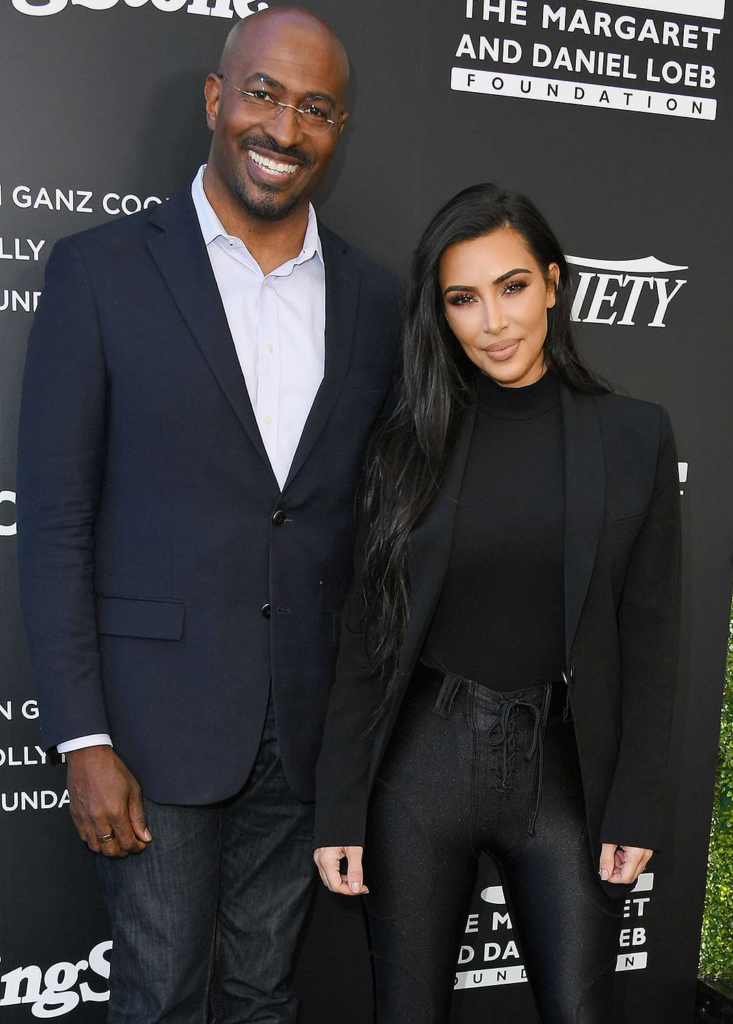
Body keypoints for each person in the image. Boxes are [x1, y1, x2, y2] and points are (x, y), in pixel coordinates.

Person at [16, 7, 401, 1022]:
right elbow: (54, 524)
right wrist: (82, 739)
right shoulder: (100, 272)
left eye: (314, 107)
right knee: (158, 995)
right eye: (264, 93)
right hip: (151, 732)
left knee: (262, 992)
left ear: (338, 127)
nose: (284, 128)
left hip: (306, 725)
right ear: (215, 99)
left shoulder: (374, 301)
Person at [313, 184, 681, 1023]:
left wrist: (636, 803)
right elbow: (366, 634)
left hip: (562, 773)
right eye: (462, 299)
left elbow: (651, 637)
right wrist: (338, 807)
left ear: (553, 282)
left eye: (512, 286)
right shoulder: (404, 441)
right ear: (439, 314)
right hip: (419, 769)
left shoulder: (635, 437)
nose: (493, 321)